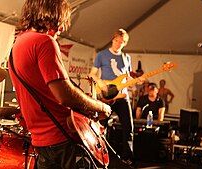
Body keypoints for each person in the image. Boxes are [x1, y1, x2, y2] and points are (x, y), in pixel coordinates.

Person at [8, 0, 111, 168]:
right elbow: (65, 96)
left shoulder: (16, 46)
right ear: (48, 15)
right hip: (62, 137)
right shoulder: (44, 42)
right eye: (60, 21)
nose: (62, 28)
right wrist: (100, 107)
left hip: (41, 140)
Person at [89, 29, 135, 165]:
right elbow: (92, 74)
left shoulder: (127, 58)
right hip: (106, 96)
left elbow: (127, 77)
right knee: (100, 127)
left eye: (121, 43)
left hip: (122, 97)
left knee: (129, 128)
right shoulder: (101, 55)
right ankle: (97, 154)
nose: (118, 44)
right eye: (116, 41)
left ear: (124, 43)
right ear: (112, 39)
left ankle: (128, 157)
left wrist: (135, 81)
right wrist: (102, 85)